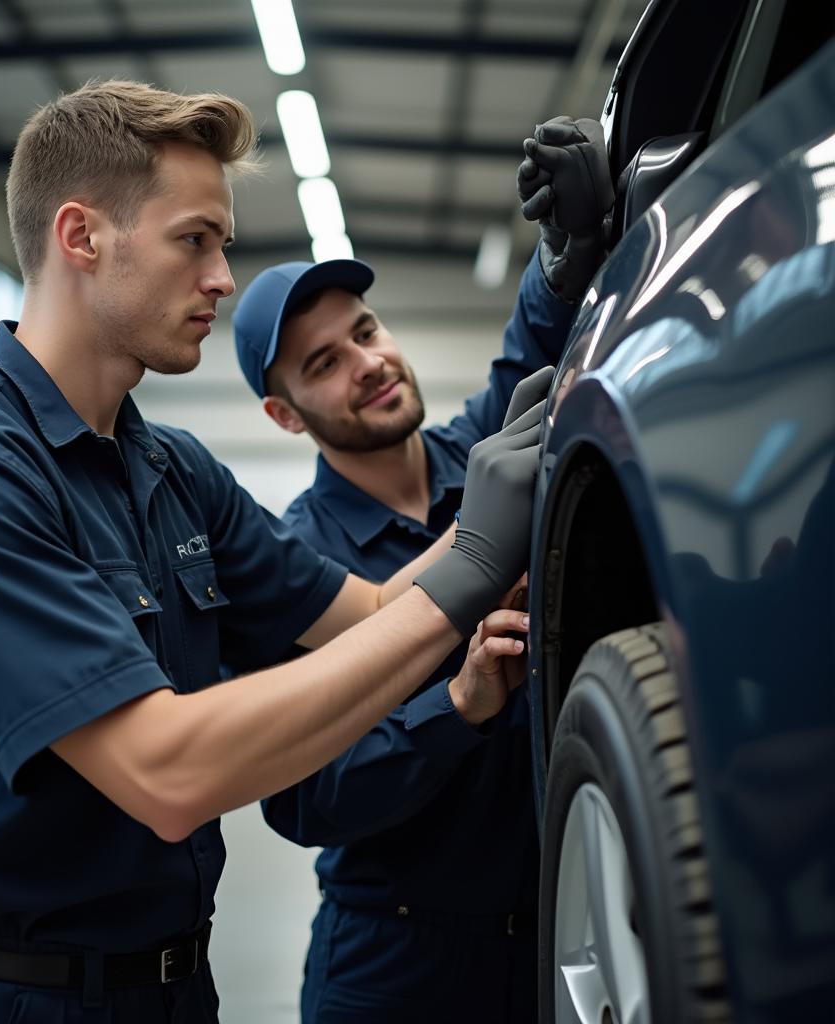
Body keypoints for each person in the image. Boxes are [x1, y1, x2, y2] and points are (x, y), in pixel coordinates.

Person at [0, 80, 550, 1024]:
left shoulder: (171, 467)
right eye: (196, 240)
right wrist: (471, 569)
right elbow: (167, 775)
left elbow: (375, 615)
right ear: (81, 236)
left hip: (177, 989)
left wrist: (486, 524)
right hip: (11, 1000)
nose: (223, 278)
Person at [231, 116, 613, 1023]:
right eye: (325, 363)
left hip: (554, 939)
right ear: (288, 417)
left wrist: (561, 253)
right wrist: (455, 708)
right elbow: (299, 796)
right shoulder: (293, 567)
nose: (367, 364)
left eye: (365, 331)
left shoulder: (486, 455)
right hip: (396, 967)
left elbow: (531, 348)